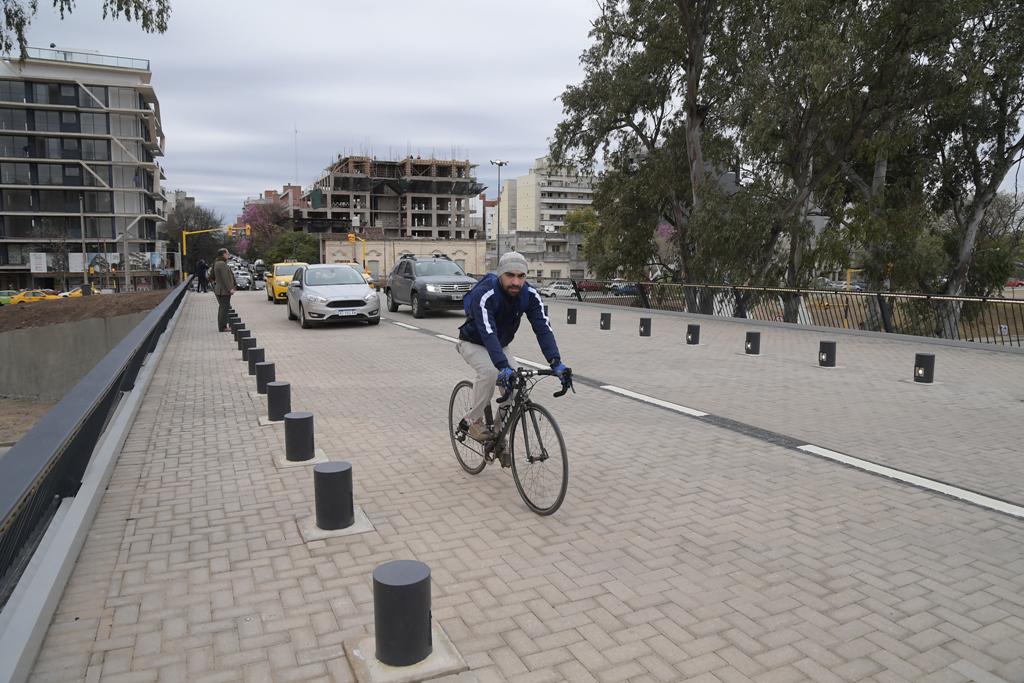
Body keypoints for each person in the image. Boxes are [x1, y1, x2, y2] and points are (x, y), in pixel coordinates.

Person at [457, 251, 570, 444]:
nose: (516, 282)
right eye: (510, 275)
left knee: (518, 390)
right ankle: (472, 421)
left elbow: (543, 328)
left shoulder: (530, 295)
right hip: (473, 342)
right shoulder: (485, 293)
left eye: (521, 276)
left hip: (500, 346)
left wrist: (555, 361)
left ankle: (500, 435)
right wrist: (503, 367)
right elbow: (488, 333)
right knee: (490, 373)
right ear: (500, 274)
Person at [210, 248, 236, 332]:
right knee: (224, 309)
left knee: (223, 308)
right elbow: (225, 278)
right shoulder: (221, 264)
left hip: (220, 289)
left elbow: (212, 276)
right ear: (223, 254)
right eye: (227, 254)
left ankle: (223, 326)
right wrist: (230, 289)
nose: (228, 255)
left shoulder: (217, 263)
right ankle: (223, 327)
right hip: (223, 290)